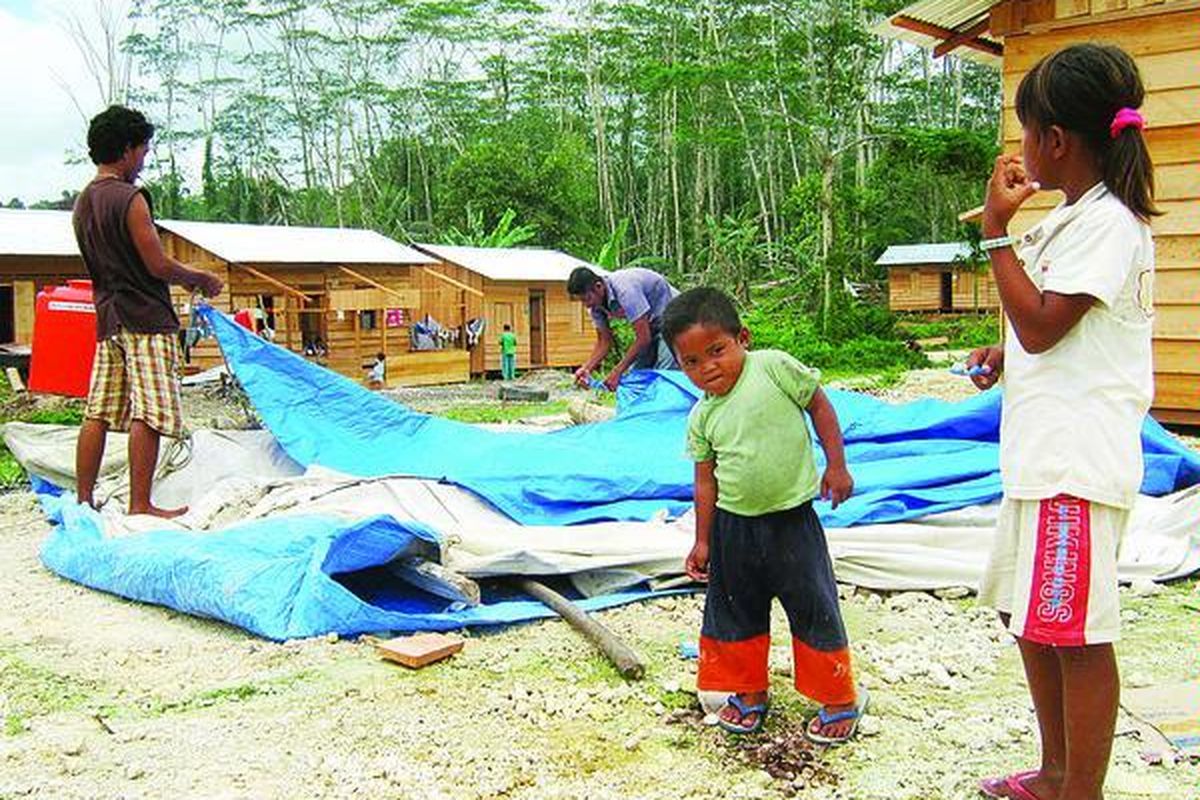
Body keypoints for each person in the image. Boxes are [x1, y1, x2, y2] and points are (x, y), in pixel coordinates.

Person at [967, 44, 1158, 800]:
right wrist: (1004, 349)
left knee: (1075, 633)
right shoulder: (1076, 219)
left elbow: (1045, 324)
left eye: (1026, 134)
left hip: (1074, 465)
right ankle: (1054, 773)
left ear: (1056, 141)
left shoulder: (1109, 224)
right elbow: (1048, 331)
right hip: (1042, 461)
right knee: (1034, 619)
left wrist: (994, 232)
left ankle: (1081, 789)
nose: (1019, 151)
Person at [662, 287, 866, 744]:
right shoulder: (701, 416)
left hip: (793, 522)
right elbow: (705, 481)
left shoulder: (772, 368)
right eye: (691, 362)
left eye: (716, 351)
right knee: (736, 613)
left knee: (814, 608)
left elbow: (819, 404)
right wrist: (703, 540)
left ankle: (838, 697)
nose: (707, 368)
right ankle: (749, 693)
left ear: (743, 338)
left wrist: (836, 465)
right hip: (734, 530)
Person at [72, 105, 223, 518]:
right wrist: (200, 278)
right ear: (126, 149)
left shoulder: (83, 202)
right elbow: (157, 265)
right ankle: (142, 504)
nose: (143, 159)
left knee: (98, 410)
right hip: (145, 318)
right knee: (151, 409)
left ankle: (84, 500)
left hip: (108, 319)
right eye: (142, 150)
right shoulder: (131, 199)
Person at [568, 266, 679, 391]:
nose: (586, 305)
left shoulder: (625, 290)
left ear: (598, 286)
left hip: (675, 317)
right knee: (636, 376)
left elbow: (643, 338)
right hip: (651, 324)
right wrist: (586, 369)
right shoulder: (595, 307)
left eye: (587, 299)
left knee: (666, 373)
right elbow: (605, 341)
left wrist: (618, 371)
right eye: (582, 301)